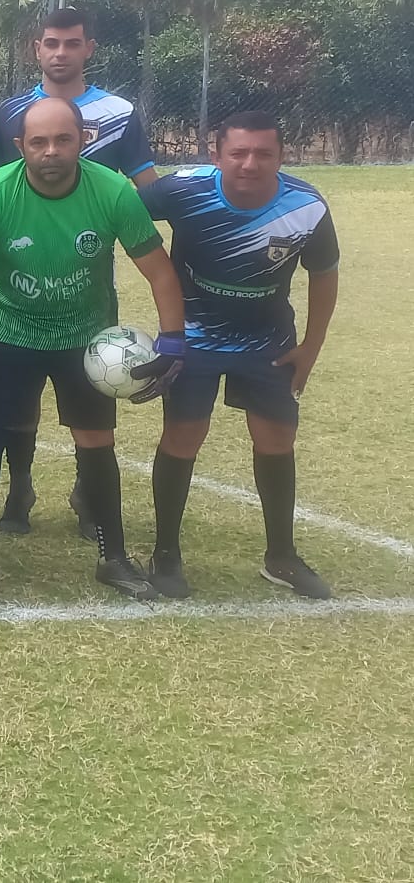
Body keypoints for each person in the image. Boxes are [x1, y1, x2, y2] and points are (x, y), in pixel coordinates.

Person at [0, 96, 186, 598]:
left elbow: (159, 271)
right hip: (10, 334)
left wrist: (172, 342)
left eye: (63, 140)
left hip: (84, 339)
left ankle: (113, 558)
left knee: (97, 443)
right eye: (38, 142)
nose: (50, 151)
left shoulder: (113, 191)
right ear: (20, 145)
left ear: (83, 141)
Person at [140, 112, 339, 599]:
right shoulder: (183, 190)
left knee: (276, 440)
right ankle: (165, 553)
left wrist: (311, 347)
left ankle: (281, 557)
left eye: (263, 154)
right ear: (216, 155)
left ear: (282, 156)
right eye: (238, 153)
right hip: (194, 338)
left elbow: (324, 274)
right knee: (183, 437)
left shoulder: (306, 206)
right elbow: (121, 213)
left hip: (266, 340)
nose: (250, 163)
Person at [0, 7, 161, 536]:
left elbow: (148, 187)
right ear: (36, 49)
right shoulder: (10, 113)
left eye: (72, 43)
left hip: (86, 283)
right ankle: (20, 486)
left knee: (90, 399)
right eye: (51, 43)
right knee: (18, 404)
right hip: (20, 278)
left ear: (89, 49)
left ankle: (89, 494)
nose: (60, 52)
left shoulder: (119, 113)